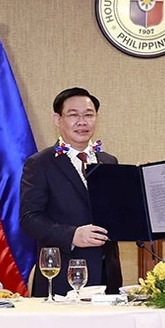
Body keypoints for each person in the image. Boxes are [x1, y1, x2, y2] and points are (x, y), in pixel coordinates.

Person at [20, 87, 122, 296]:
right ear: (57, 119)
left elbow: (117, 216)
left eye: (88, 115)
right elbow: (29, 218)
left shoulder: (108, 162)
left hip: (107, 278)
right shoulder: (40, 164)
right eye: (73, 115)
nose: (82, 122)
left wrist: (138, 188)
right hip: (60, 278)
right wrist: (72, 235)